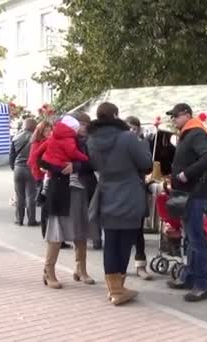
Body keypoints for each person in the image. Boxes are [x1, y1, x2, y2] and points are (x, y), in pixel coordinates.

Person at [87, 102, 152, 306]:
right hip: (129, 192)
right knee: (125, 241)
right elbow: (146, 164)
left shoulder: (91, 140)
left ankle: (112, 288)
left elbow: (94, 165)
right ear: (115, 115)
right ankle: (118, 289)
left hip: (106, 191)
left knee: (111, 241)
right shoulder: (127, 138)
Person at [165, 103, 207, 302]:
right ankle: (188, 277)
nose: (174, 120)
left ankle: (201, 286)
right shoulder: (187, 133)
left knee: (196, 239)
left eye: (176, 116)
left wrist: (187, 174)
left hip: (194, 194)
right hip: (186, 193)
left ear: (187, 115)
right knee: (190, 238)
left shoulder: (196, 132)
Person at [38, 114, 99, 289]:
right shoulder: (55, 138)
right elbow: (40, 160)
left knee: (80, 230)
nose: (83, 127)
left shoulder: (87, 142)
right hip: (59, 189)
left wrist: (76, 166)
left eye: (85, 124)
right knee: (56, 233)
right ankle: (48, 271)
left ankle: (81, 269)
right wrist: (58, 166)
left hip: (80, 190)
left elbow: (94, 163)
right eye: (80, 124)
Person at [124, 115, 153, 281]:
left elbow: (148, 167)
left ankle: (141, 265)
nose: (131, 131)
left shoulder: (143, 143)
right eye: (128, 128)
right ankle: (121, 266)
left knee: (138, 230)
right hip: (122, 192)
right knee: (122, 231)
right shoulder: (118, 144)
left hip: (138, 189)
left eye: (134, 129)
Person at [9, 118, 38, 226]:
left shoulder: (15, 137)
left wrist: (14, 167)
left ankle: (19, 220)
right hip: (30, 168)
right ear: (34, 126)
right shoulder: (36, 138)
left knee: (19, 196)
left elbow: (11, 156)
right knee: (30, 195)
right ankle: (31, 220)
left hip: (18, 168)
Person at [27, 120, 52, 238]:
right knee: (46, 206)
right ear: (40, 131)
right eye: (46, 130)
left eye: (49, 130)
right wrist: (42, 171)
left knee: (45, 206)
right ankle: (46, 232)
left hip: (43, 176)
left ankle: (46, 232)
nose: (48, 132)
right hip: (43, 177)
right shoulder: (39, 143)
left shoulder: (38, 142)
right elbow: (33, 160)